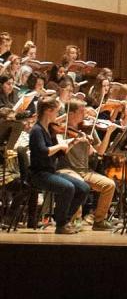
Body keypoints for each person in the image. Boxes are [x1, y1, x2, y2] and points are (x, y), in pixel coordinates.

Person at [28, 97, 90, 234]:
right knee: (68, 187)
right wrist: (59, 145)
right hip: (39, 174)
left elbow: (59, 154)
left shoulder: (50, 129)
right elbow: (43, 152)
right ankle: (61, 225)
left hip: (51, 172)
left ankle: (64, 220)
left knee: (84, 188)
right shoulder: (37, 130)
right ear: (48, 111)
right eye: (56, 111)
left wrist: (72, 142)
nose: (58, 115)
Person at [56, 99, 117, 230]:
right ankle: (74, 220)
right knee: (79, 184)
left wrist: (108, 133)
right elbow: (61, 149)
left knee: (109, 185)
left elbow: (100, 151)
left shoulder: (88, 128)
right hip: (67, 170)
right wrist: (77, 139)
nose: (85, 114)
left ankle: (99, 221)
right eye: (81, 111)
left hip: (85, 170)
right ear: (71, 114)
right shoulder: (61, 129)